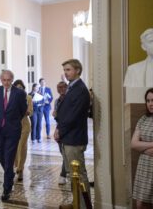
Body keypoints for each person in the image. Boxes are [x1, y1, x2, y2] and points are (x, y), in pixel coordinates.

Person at [54, 59, 91, 208]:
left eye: (68, 70)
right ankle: (76, 202)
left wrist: (60, 130)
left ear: (77, 70)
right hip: (68, 137)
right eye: (65, 70)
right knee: (72, 175)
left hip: (74, 138)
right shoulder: (71, 87)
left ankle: (82, 205)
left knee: (79, 174)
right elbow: (65, 111)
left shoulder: (81, 89)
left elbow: (73, 116)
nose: (66, 73)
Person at [0, 70, 27, 201]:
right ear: (1, 80)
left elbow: (23, 110)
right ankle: (10, 173)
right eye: (4, 80)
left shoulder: (20, 93)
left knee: (9, 158)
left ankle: (6, 189)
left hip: (13, 130)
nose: (6, 82)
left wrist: (13, 120)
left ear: (12, 80)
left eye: (8, 80)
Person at [131, 88, 153, 209]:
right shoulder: (143, 119)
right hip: (144, 166)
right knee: (140, 204)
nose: (150, 103)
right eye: (148, 100)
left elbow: (138, 145)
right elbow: (134, 144)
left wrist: (142, 146)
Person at [13, 79, 32, 181]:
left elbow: (30, 112)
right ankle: (17, 166)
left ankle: (20, 168)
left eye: (21, 88)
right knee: (15, 147)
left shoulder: (28, 97)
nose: (19, 89)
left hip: (25, 125)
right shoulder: (11, 97)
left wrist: (22, 108)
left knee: (22, 146)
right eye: (17, 88)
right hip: (14, 125)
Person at [52, 81, 68, 185]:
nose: (61, 89)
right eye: (59, 88)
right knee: (63, 154)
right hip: (60, 128)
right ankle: (66, 172)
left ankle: (63, 174)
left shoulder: (69, 99)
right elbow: (57, 116)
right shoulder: (57, 101)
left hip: (67, 129)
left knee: (66, 154)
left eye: (63, 87)